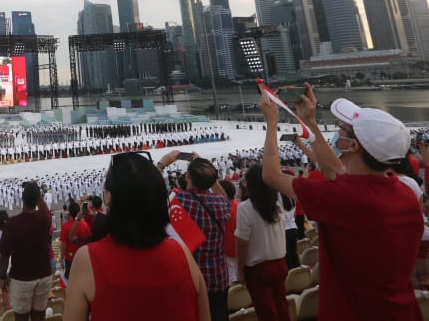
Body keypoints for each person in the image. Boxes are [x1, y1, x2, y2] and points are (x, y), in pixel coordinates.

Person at [259, 84, 424, 320]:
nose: (339, 132)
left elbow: (271, 175)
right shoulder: (405, 193)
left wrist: (272, 122)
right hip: (400, 310)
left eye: (342, 129)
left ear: (351, 145)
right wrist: (310, 122)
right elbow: (338, 173)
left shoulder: (344, 198)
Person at [64, 152, 210, 321]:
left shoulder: (87, 259)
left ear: (110, 198)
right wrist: (159, 167)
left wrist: (161, 165)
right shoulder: (183, 254)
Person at [161, 151, 231, 321]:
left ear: (189, 176)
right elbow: (224, 195)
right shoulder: (222, 203)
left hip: (189, 279)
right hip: (218, 277)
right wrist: (206, 169)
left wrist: (162, 164)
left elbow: (146, 196)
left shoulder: (179, 201)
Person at [235, 164, 290, 321]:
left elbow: (242, 243)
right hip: (280, 263)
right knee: (281, 306)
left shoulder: (245, 208)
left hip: (259, 268)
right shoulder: (277, 204)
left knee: (266, 311)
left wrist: (240, 271)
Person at [0, 181, 52, 321]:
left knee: (21, 317)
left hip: (22, 278)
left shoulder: (12, 223)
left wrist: (3, 277)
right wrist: (35, 190)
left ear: (22, 199)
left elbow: (4, 255)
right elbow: (44, 208)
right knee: (39, 315)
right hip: (44, 275)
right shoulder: (45, 218)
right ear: (38, 198)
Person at [59, 202, 90, 280]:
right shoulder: (85, 224)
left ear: (69, 213)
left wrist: (61, 258)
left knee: (71, 279)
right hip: (83, 256)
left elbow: (63, 244)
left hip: (70, 257)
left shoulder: (65, 226)